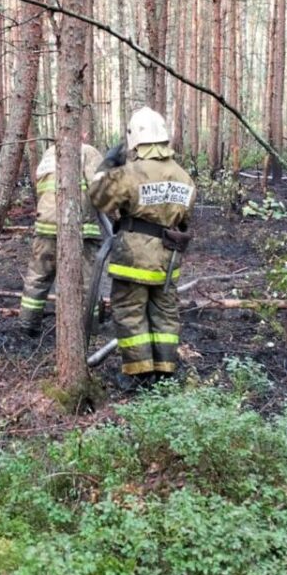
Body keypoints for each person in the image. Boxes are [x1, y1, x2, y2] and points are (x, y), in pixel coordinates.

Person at [89, 107, 195, 388]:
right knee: (165, 316)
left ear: (135, 138)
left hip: (133, 260)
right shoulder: (184, 176)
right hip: (168, 260)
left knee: (129, 313)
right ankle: (165, 373)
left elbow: (98, 196)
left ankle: (139, 374)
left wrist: (108, 163)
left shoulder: (129, 173)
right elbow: (185, 216)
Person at [19, 141, 105, 337]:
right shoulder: (88, 152)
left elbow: (41, 188)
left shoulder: (49, 153)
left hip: (45, 226)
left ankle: (27, 325)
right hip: (78, 228)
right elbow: (101, 189)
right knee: (86, 283)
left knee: (37, 278)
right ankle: (88, 332)